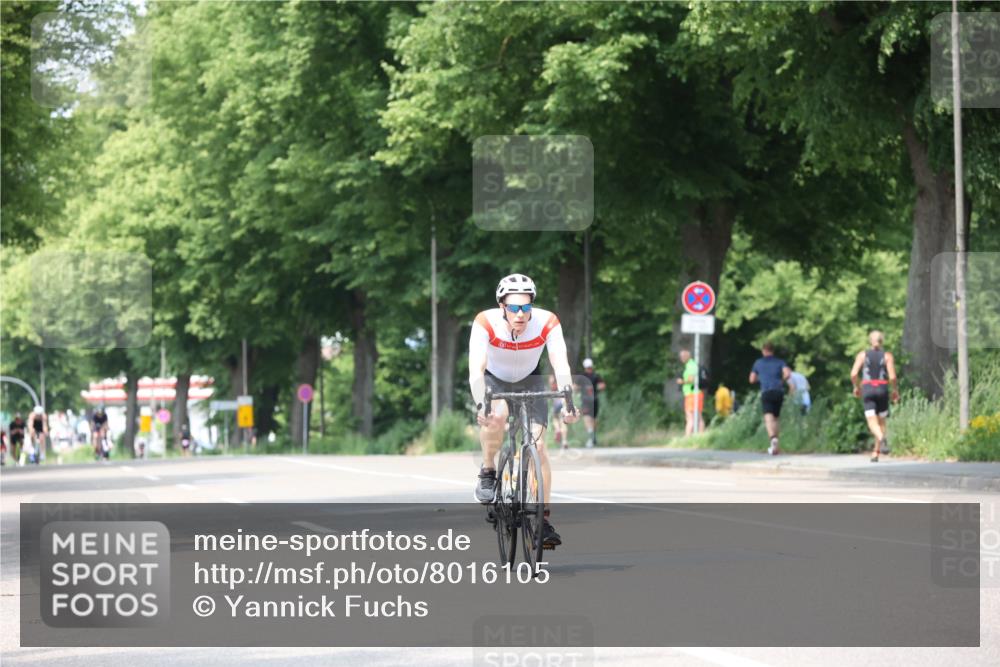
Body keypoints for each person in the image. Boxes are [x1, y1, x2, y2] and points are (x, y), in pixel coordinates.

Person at [469, 273, 579, 548]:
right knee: (496, 417)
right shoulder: (485, 322)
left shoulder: (547, 321)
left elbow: (560, 363)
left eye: (526, 307)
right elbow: (476, 368)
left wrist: (569, 401)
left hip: (531, 379)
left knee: (539, 447)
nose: (520, 314)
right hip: (495, 380)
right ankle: (488, 470)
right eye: (514, 307)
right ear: (502, 306)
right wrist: (481, 403)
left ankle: (542, 520)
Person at [850, 330, 900, 463]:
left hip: (868, 389)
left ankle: (881, 440)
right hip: (882, 389)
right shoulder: (887, 356)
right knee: (881, 422)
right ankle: (876, 452)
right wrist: (895, 390)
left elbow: (853, 374)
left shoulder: (862, 355)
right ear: (882, 341)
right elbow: (892, 377)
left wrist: (856, 387)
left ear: (870, 341)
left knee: (872, 422)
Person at [749, 341, 791, 455]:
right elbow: (787, 373)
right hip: (778, 391)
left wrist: (761, 378)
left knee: (768, 417)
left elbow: (751, 379)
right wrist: (781, 380)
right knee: (776, 418)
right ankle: (775, 446)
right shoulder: (780, 362)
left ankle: (773, 438)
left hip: (766, 391)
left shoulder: (758, 362)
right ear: (773, 350)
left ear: (763, 350)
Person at [579, 358, 606, 447]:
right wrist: (597, 388)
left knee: (588, 418)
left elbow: (575, 386)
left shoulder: (582, 376)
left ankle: (591, 437)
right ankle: (592, 437)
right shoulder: (596, 376)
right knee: (592, 419)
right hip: (594, 399)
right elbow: (602, 386)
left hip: (586, 400)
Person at [676, 349, 703, 436]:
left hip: (693, 394)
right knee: (696, 416)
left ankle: (688, 437)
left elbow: (691, 380)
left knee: (691, 417)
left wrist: (682, 381)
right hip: (692, 394)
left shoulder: (691, 365)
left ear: (688, 356)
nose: (681, 358)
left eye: (683, 356)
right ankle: (699, 436)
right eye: (681, 356)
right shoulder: (689, 365)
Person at [548, 375, 570, 451]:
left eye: (552, 383)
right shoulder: (561, 387)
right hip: (561, 406)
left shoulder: (552, 389)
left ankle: (557, 430)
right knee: (563, 422)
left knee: (556, 419)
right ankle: (564, 441)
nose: (551, 384)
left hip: (557, 407)